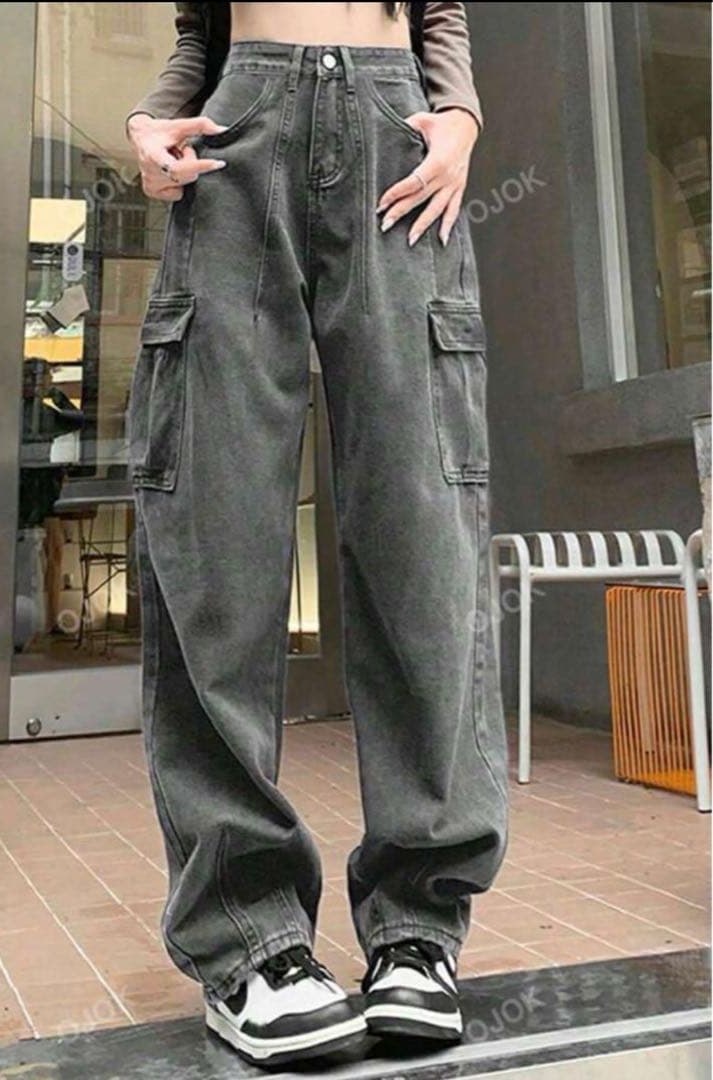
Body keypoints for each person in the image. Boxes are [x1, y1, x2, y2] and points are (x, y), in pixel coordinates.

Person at [126, 2, 508, 1067]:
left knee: (422, 540)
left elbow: (440, 11)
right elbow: (198, 37)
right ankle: (249, 941)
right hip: (235, 144)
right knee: (216, 534)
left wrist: (458, 118)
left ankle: (418, 925)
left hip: (398, 141)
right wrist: (150, 123)